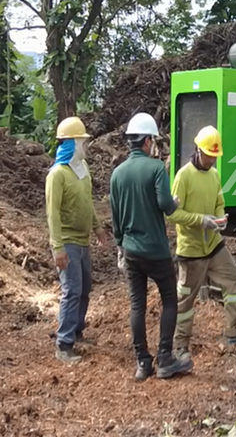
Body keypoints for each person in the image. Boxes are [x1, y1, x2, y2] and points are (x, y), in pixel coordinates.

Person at [110, 112, 192, 381]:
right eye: (153, 141)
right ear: (147, 141)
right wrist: (175, 202)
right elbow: (166, 206)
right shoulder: (156, 168)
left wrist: (120, 246)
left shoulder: (117, 174)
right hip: (155, 250)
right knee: (170, 300)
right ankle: (165, 358)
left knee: (137, 305)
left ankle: (143, 363)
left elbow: (115, 218)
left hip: (131, 251)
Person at [168, 126, 236, 358]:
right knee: (185, 299)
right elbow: (172, 214)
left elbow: (219, 202)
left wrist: (220, 218)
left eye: (215, 156)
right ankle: (180, 346)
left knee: (234, 280)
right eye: (209, 155)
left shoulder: (214, 175)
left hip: (213, 245)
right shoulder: (183, 176)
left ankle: (234, 332)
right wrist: (201, 220)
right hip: (191, 250)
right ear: (198, 150)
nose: (212, 160)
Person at [46, 116, 109, 364]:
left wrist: (97, 227)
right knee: (72, 290)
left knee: (84, 288)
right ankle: (64, 343)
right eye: (82, 142)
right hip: (68, 241)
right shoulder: (57, 175)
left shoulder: (83, 170)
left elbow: (87, 202)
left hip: (82, 241)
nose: (86, 146)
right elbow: (52, 213)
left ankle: (77, 331)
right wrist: (58, 247)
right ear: (71, 143)